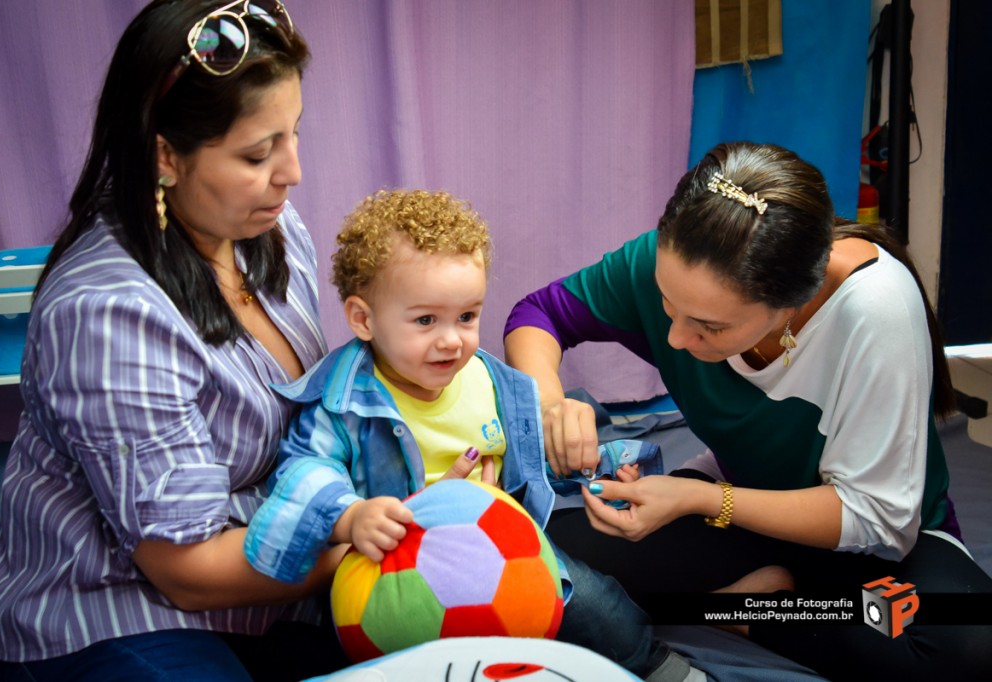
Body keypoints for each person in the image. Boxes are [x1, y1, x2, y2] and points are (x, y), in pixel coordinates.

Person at [503, 141, 992, 680]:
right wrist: (549, 402)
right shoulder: (678, 262)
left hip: (878, 553)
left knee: (963, 646)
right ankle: (764, 595)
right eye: (667, 302)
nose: (674, 336)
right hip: (740, 523)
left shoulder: (874, 308)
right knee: (538, 564)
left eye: (710, 327)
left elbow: (879, 519)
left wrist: (698, 497)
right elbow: (540, 314)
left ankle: (742, 611)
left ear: (792, 303)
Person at [0, 2, 350, 681]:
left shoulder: (267, 231)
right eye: (257, 152)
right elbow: (186, 572)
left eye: (293, 133)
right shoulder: (105, 312)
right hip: (118, 612)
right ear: (164, 156)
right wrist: (360, 552)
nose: (292, 172)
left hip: (268, 589)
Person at [243, 188, 702, 681]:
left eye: (467, 317)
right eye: (425, 320)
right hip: (395, 570)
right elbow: (303, 468)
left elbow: (534, 458)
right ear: (363, 319)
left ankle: (655, 666)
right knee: (327, 649)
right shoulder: (344, 401)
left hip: (498, 551)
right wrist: (351, 515)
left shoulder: (490, 384)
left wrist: (599, 466)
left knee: (594, 602)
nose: (451, 339)